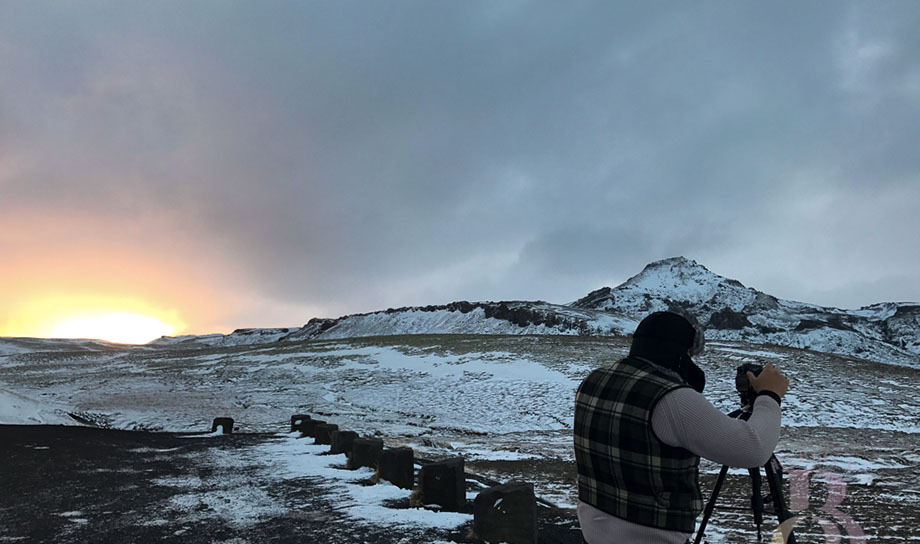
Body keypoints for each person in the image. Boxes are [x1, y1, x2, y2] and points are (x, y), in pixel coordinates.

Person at [574, 311, 789, 544]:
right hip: (653, 537)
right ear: (681, 356)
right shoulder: (671, 398)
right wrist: (769, 395)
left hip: (594, 533)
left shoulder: (594, 380)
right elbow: (754, 449)